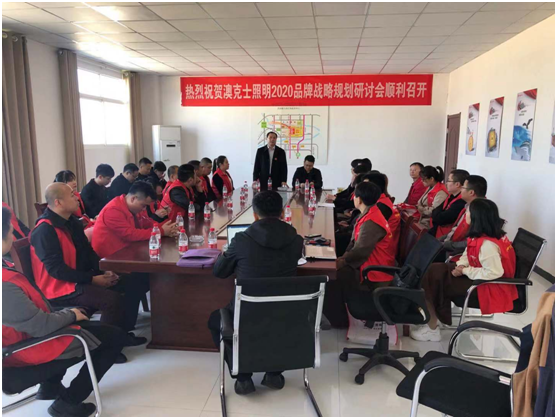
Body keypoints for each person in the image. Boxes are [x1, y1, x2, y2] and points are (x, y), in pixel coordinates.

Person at [2, 207, 127, 417]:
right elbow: (40, 326)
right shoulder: (4, 284)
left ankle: (50, 387)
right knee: (114, 338)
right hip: (24, 348)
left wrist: (67, 315)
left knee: (89, 324)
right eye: (9, 229)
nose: (12, 233)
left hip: (28, 334)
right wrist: (70, 315)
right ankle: (68, 402)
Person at [208, 190, 303, 395]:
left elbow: (220, 272)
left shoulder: (241, 240)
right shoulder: (296, 240)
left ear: (254, 215)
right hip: (285, 313)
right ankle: (274, 373)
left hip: (246, 314)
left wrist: (228, 254)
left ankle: (243, 377)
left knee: (216, 320)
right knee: (274, 323)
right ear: (282, 212)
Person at [30, 183, 147, 349]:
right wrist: (92, 279)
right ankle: (106, 348)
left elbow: (88, 251)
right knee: (111, 300)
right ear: (58, 202)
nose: (77, 198)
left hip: (79, 277)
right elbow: (56, 270)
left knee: (134, 281)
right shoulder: (44, 230)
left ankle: (122, 334)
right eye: (72, 195)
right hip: (60, 287)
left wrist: (104, 269)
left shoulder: (71, 222)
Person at [412, 199, 517, 342]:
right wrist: (460, 266)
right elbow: (467, 255)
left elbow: (494, 272)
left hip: (488, 287)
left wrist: (466, 271)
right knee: (431, 271)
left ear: (476, 217)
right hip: (477, 276)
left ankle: (432, 329)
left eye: (468, 212)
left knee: (433, 280)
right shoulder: (479, 235)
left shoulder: (488, 244)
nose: (465, 214)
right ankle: (435, 318)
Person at [92, 181, 178, 259]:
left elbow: (147, 223)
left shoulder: (134, 208)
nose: (144, 209)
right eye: (143, 205)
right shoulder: (113, 210)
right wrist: (161, 231)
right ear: (133, 199)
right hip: (111, 256)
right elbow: (130, 234)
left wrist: (166, 227)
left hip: (128, 248)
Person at [336, 182, 396, 288]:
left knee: (333, 276)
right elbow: (354, 242)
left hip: (374, 273)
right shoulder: (369, 213)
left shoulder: (372, 221)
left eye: (354, 196)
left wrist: (342, 262)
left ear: (359, 200)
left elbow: (360, 251)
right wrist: (343, 258)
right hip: (366, 265)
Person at [441, 175, 488, 256]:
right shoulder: (468, 206)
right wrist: (442, 239)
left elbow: (473, 241)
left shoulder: (481, 212)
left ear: (471, 192)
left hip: (458, 253)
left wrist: (448, 245)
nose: (460, 190)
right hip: (451, 244)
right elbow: (456, 229)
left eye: (463, 187)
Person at [363, 172, 401, 257]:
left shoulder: (382, 207)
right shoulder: (379, 202)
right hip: (373, 249)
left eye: (365, 186)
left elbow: (366, 236)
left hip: (379, 255)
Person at [430, 169, 469, 238]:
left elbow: (441, 219)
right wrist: (436, 214)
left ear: (457, 184)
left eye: (448, 180)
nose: (446, 183)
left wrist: (436, 214)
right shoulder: (451, 196)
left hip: (445, 236)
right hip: (437, 230)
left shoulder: (461, 201)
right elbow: (435, 211)